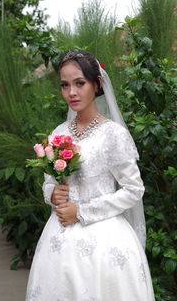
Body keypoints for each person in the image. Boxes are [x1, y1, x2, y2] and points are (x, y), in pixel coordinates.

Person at [25, 51, 155, 301]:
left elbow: (133, 190)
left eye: (79, 83)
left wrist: (82, 212)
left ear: (97, 84)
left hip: (104, 239)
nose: (71, 92)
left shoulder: (113, 134)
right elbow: (49, 180)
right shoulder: (59, 132)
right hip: (59, 237)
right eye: (65, 85)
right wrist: (51, 192)